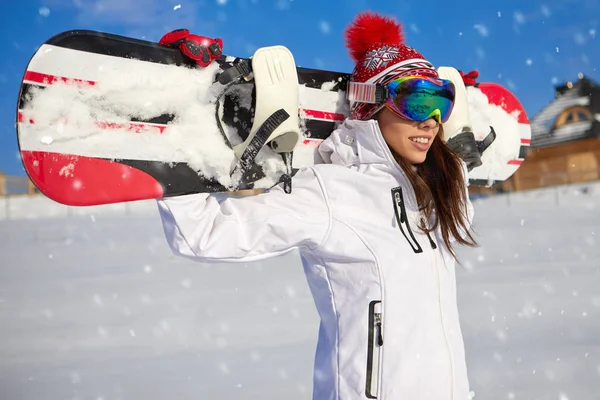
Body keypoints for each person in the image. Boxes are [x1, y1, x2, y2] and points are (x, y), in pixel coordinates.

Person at [157, 11, 481, 400]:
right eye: (416, 101)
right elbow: (205, 235)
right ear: (370, 105)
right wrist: (183, 110)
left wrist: (463, 133)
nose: (430, 121)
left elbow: (463, 206)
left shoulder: (438, 190)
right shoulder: (331, 192)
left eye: (440, 104)